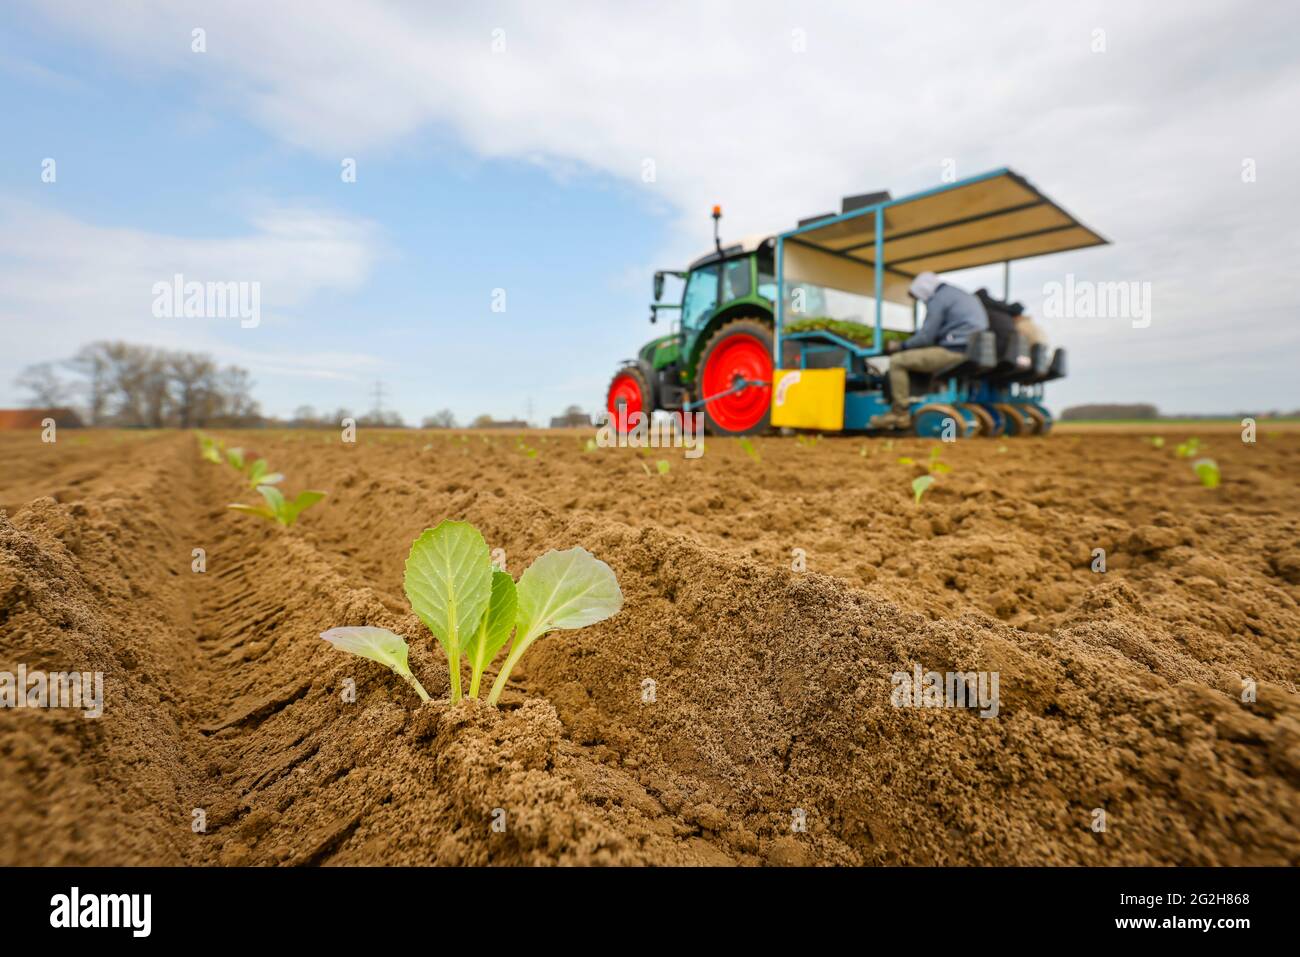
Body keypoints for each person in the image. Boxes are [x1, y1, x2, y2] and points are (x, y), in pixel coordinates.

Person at [869, 272, 989, 429]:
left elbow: (926, 336)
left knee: (898, 361)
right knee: (919, 358)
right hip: (972, 350)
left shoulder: (938, 299)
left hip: (954, 350)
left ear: (923, 289)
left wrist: (900, 346)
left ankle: (900, 413)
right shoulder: (958, 294)